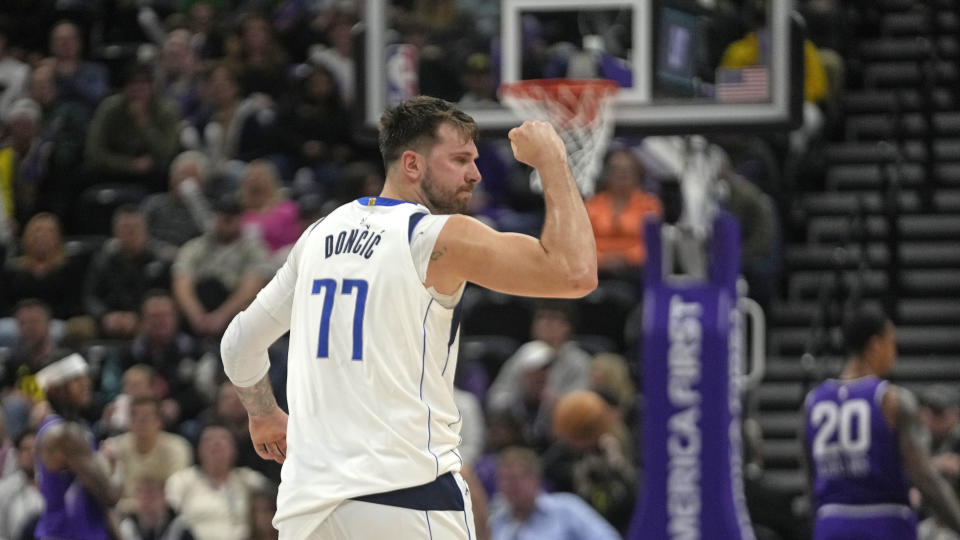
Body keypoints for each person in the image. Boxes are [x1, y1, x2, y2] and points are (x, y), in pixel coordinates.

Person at [219, 96, 597, 538]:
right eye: (459, 159)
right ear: (413, 165)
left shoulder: (319, 235)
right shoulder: (432, 237)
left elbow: (239, 343)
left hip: (308, 516)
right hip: (407, 503)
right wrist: (552, 161)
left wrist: (263, 414)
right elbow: (574, 274)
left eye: (474, 160)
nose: (475, 173)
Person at [802, 308, 960, 539]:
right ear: (876, 345)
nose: (894, 352)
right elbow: (925, 479)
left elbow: (811, 481)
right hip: (885, 524)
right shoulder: (892, 400)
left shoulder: (812, 402)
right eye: (891, 342)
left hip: (830, 524)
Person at [33, 353, 119, 540]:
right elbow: (110, 496)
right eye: (76, 380)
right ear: (55, 389)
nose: (86, 384)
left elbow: (101, 505)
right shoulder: (64, 435)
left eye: (86, 378)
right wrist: (108, 464)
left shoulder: (76, 430)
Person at [172, 195, 270, 338]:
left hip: (233, 310)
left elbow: (252, 286)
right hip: (198, 306)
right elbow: (181, 281)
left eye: (231, 219)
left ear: (240, 220)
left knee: (253, 303)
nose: (226, 223)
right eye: (222, 217)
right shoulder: (195, 247)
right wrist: (195, 315)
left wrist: (221, 316)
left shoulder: (253, 250)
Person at [488, 446, 620, 540]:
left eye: (515, 479)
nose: (509, 486)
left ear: (536, 479)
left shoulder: (567, 508)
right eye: (503, 480)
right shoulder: (495, 522)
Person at [164, 424, 268, 540]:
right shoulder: (182, 481)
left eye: (223, 439)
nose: (216, 444)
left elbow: (269, 511)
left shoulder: (250, 481)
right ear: (198, 450)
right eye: (208, 440)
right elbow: (168, 522)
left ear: (234, 450)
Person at [101, 397, 192, 514]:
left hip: (164, 516)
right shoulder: (114, 447)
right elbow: (107, 497)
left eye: (146, 418)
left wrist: (127, 505)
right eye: (135, 417)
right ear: (129, 422)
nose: (140, 422)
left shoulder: (177, 448)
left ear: (159, 422)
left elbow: (176, 497)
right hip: (124, 516)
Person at [0, 429, 44, 540]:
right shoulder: (5, 489)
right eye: (26, 449)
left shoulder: (54, 487)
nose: (32, 454)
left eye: (36, 450)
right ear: (17, 454)